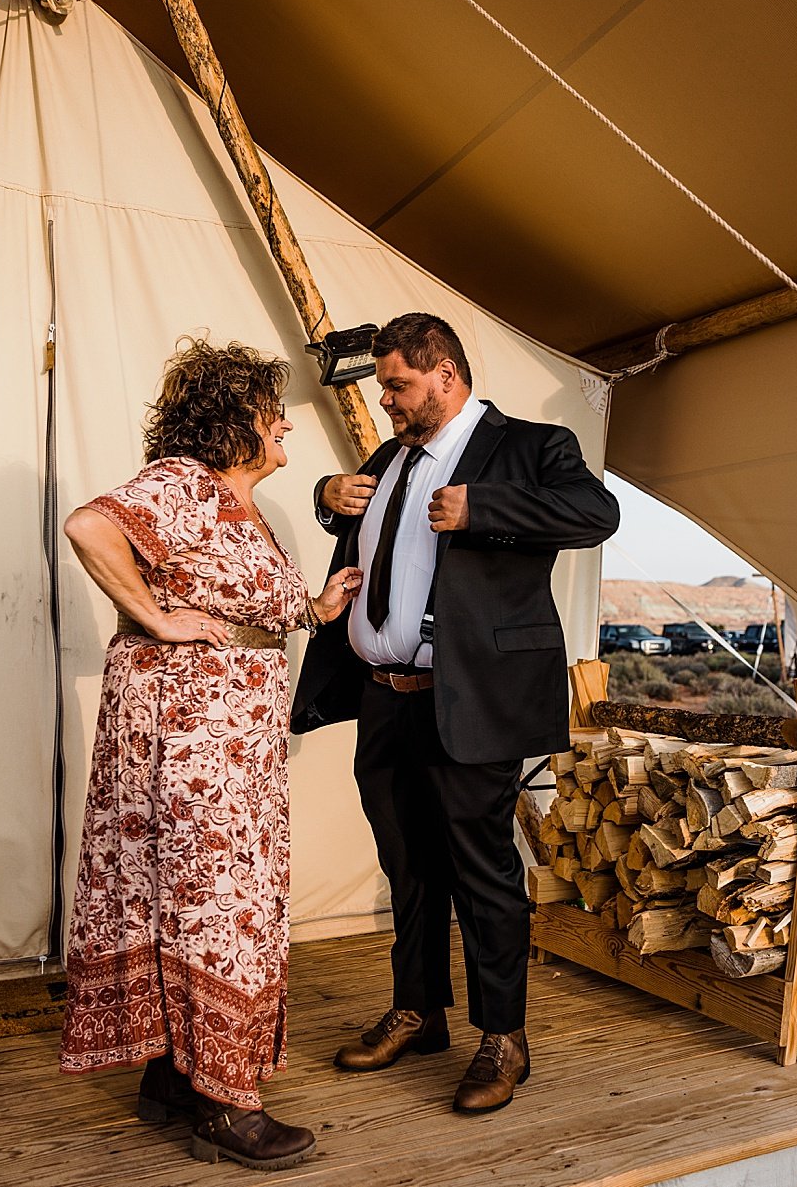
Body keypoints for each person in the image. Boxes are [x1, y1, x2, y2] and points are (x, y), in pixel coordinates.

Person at [293, 312, 620, 1113]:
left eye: (397, 385)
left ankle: (505, 1037)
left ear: (444, 373)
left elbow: (596, 514)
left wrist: (485, 509)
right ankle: (420, 1010)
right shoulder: (391, 455)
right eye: (383, 387)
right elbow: (366, 527)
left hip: (470, 701)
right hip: (384, 702)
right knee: (407, 865)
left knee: (483, 874)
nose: (387, 401)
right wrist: (325, 497)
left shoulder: (531, 448)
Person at [59, 338, 361, 1172]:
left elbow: (234, 597)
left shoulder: (233, 503)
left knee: (193, 893)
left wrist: (314, 606)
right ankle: (228, 1106)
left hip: (226, 740)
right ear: (236, 423)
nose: (286, 424)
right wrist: (155, 621)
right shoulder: (184, 482)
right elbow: (90, 527)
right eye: (273, 412)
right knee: (215, 900)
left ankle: (173, 1076)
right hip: (191, 737)